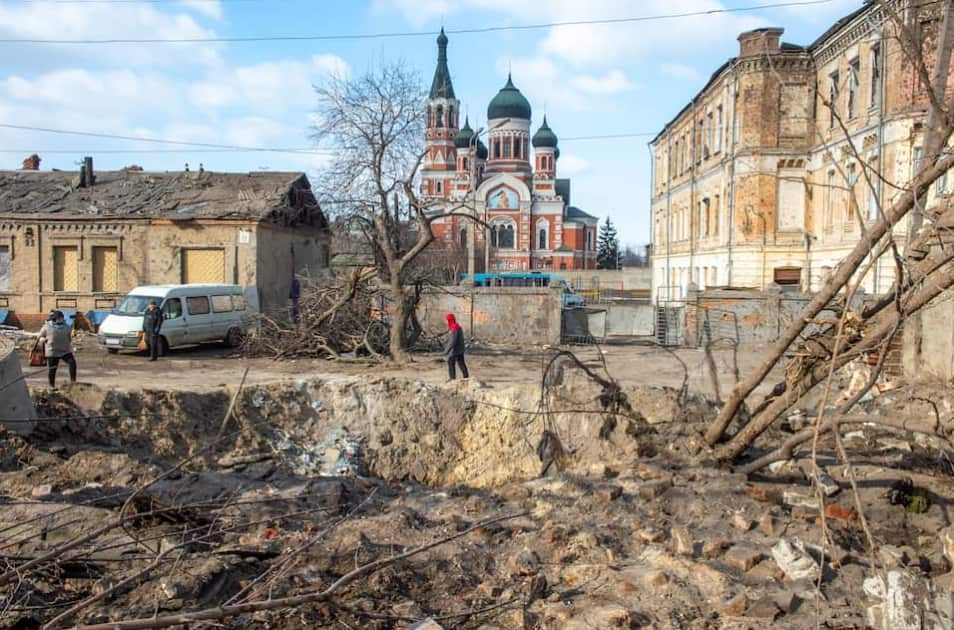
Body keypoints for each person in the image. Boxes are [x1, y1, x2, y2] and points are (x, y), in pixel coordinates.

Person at [38, 310, 76, 388]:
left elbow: (69, 338)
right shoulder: (47, 326)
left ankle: (73, 382)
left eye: (62, 317)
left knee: (72, 363)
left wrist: (70, 339)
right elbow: (40, 336)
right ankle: (51, 386)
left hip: (65, 350)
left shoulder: (66, 326)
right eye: (61, 317)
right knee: (53, 369)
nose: (62, 319)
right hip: (52, 351)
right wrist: (43, 340)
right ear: (56, 318)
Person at [444, 313, 469, 381]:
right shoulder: (457, 326)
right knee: (461, 363)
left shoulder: (453, 328)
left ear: (450, 320)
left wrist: (446, 351)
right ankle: (466, 377)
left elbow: (452, 341)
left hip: (454, 350)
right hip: (460, 349)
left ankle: (452, 379)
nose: (446, 321)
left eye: (447, 320)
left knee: (451, 363)